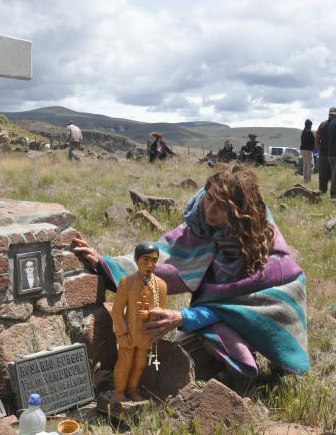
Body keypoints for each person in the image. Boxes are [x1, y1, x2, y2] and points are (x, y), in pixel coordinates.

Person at [73, 163, 309, 389]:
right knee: (164, 367)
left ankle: (263, 357)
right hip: (210, 320)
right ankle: (234, 359)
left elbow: (239, 306)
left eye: (222, 206)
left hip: (249, 316)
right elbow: (163, 256)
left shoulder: (262, 244)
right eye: (209, 197)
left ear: (240, 212)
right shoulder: (198, 224)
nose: (210, 209)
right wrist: (106, 264)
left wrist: (182, 318)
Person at [109, 242, 167, 403]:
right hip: (128, 333)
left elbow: (162, 312)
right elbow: (117, 311)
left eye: (154, 260)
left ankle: (132, 389)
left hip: (146, 334)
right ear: (136, 260)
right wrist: (121, 333)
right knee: (124, 362)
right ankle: (119, 391)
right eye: (145, 260)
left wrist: (150, 314)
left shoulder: (161, 286)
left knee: (140, 364)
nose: (150, 265)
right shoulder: (126, 283)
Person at [315, 107, 336, 193]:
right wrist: (318, 147)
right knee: (323, 173)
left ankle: (334, 193)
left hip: (334, 153)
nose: (331, 116)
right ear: (329, 114)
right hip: (324, 153)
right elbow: (317, 136)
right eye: (331, 114)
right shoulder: (323, 124)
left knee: (334, 174)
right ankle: (322, 190)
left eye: (333, 115)